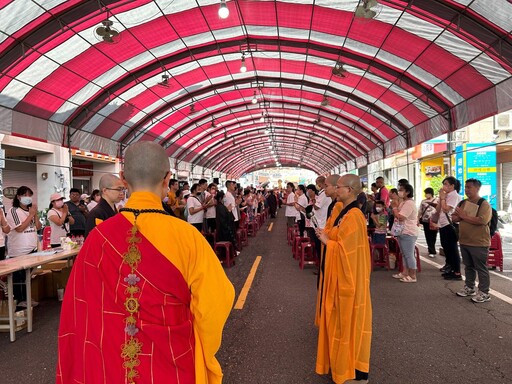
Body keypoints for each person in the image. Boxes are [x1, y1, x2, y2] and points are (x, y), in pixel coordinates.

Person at [57, 141, 235, 384]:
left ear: (123, 179)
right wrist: (203, 352)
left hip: (113, 363)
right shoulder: (188, 237)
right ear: (167, 178)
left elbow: (80, 310)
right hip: (175, 358)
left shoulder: (98, 238)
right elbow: (216, 302)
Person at [315, 174, 372, 383]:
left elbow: (347, 251)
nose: (335, 190)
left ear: (349, 190)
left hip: (349, 280)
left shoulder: (354, 216)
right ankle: (341, 365)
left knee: (349, 324)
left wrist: (327, 241)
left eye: (338, 187)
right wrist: (328, 238)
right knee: (340, 323)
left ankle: (353, 369)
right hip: (340, 277)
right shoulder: (345, 212)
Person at [452, 178, 493, 303]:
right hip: (464, 240)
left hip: (479, 242)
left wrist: (464, 216)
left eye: (469, 187)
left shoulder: (483, 203)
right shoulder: (463, 202)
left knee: (481, 268)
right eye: (466, 187)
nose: (467, 190)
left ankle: (484, 292)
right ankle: (469, 288)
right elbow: (454, 217)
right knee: (468, 266)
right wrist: (460, 216)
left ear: (477, 188)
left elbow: (482, 220)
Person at [6, 186, 42, 308]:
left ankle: (27, 298)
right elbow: (19, 228)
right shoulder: (13, 211)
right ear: (18, 197)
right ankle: (19, 301)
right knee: (19, 277)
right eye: (25, 195)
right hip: (19, 251)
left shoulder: (30, 211)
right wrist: (31, 215)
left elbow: (37, 227)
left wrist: (34, 214)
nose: (28, 198)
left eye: (29, 195)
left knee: (28, 276)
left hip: (32, 249)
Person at [391, 183, 419, 282]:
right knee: (404, 254)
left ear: (407, 192)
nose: (399, 191)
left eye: (402, 190)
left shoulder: (409, 203)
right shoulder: (404, 202)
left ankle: (412, 275)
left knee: (409, 254)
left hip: (408, 232)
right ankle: (405, 272)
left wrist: (394, 208)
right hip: (402, 231)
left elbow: (401, 216)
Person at [436, 176, 462, 280]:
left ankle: (457, 272)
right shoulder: (446, 195)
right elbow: (439, 209)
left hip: (450, 224)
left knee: (452, 249)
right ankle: (451, 269)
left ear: (452, 186)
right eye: (443, 184)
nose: (444, 186)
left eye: (446, 184)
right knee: (446, 248)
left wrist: (442, 198)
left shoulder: (454, 196)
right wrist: (441, 198)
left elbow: (446, 209)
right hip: (443, 224)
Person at [418, 187, 438, 257]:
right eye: (425, 193)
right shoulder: (423, 201)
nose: (426, 195)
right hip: (425, 220)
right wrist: (418, 218)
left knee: (433, 235)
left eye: (427, 193)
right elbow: (420, 210)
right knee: (428, 235)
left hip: (434, 220)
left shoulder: (437, 200)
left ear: (431, 193)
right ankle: (431, 250)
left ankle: (432, 248)